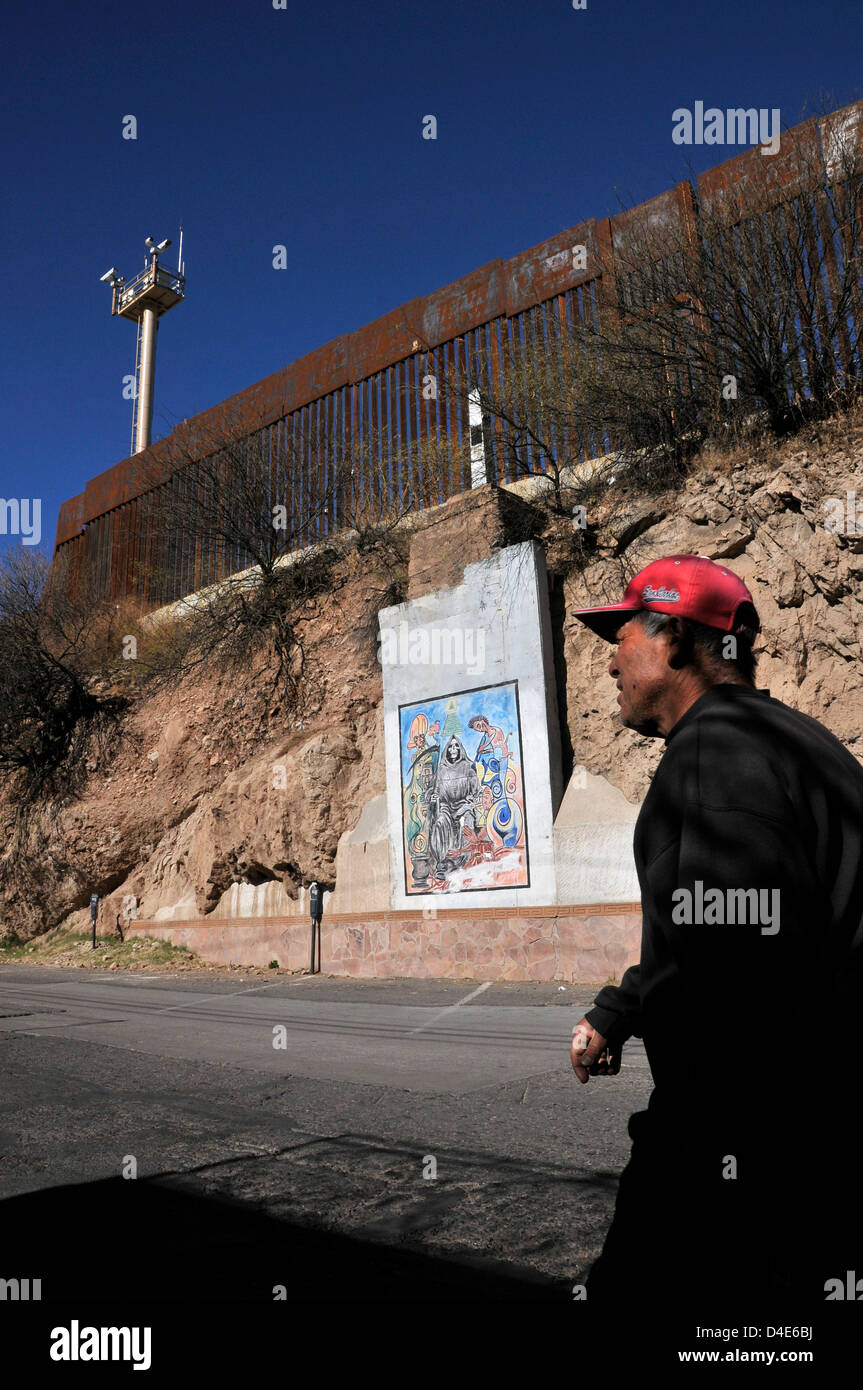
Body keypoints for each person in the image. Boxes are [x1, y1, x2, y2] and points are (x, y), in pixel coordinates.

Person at [568, 554, 863, 1318]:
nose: (609, 660)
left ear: (671, 640)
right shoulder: (797, 743)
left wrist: (683, 1151)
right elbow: (727, 918)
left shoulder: (711, 756)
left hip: (757, 1140)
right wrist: (622, 1008)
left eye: (622, 632)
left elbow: (737, 982)